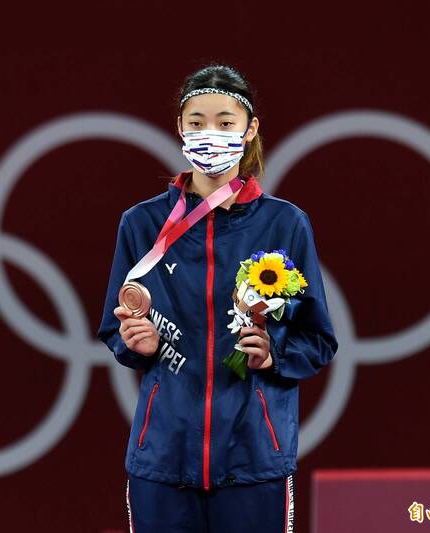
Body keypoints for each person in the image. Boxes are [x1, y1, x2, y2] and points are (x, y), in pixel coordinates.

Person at [96, 64, 339, 533]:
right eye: (197, 122)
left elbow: (319, 338)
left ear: (250, 131)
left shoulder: (284, 224)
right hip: (163, 457)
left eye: (225, 123)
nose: (210, 133)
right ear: (180, 130)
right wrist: (133, 342)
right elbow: (114, 324)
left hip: (253, 458)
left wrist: (274, 355)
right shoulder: (142, 224)